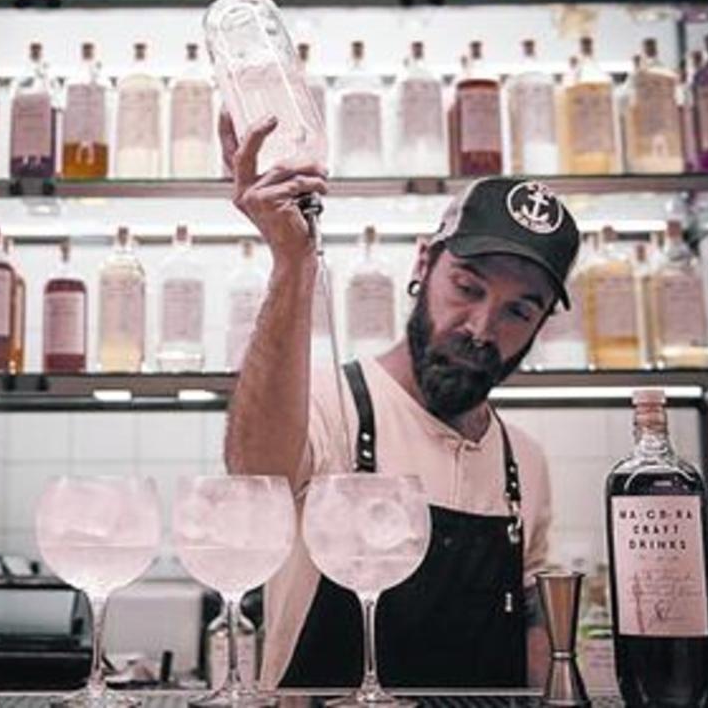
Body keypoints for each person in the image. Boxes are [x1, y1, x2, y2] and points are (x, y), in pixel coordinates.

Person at [219, 111, 581, 688]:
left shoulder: (525, 462)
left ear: (540, 326)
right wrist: (292, 263)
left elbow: (536, 626)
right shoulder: (329, 404)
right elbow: (254, 476)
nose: (482, 328)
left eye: (519, 310)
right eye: (467, 287)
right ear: (423, 264)